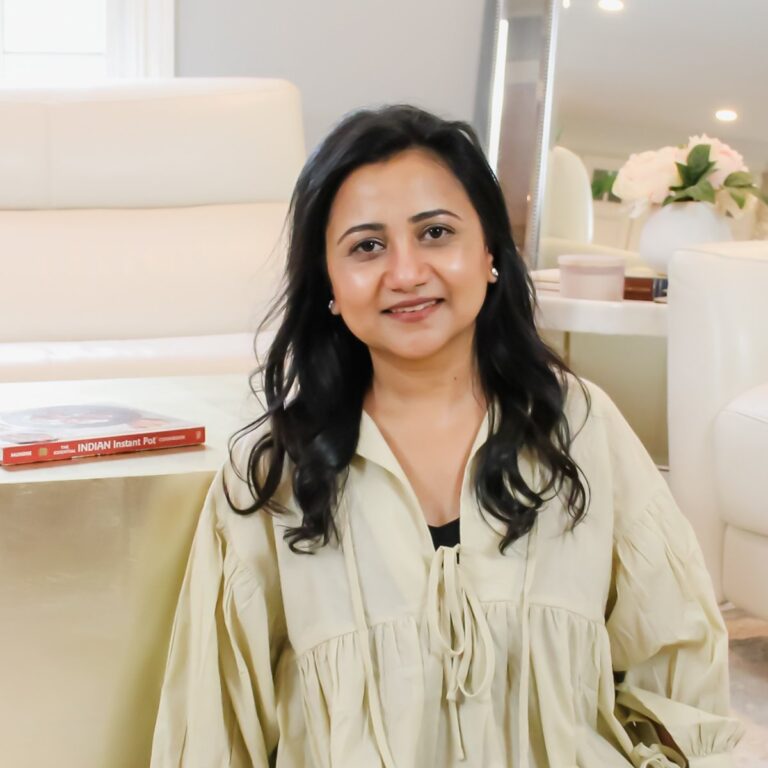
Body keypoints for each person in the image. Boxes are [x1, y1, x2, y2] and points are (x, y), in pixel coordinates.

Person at [150, 105, 743, 767]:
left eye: (435, 233)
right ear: (329, 284)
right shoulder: (270, 472)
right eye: (367, 246)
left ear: (489, 253)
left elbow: (678, 667)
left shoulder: (581, 426)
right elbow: (215, 721)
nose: (406, 273)